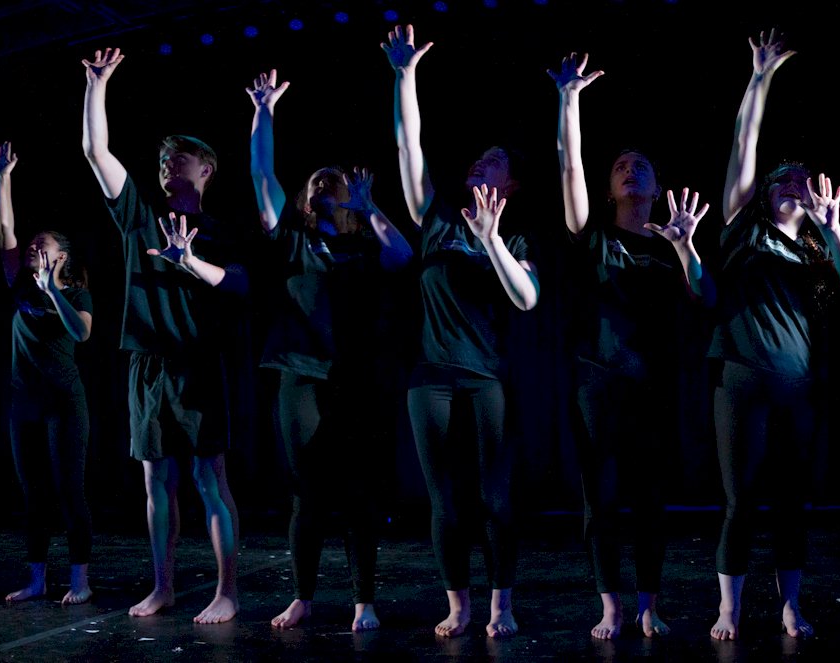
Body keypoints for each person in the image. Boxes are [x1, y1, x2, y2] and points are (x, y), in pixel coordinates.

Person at [706, 30, 840, 641]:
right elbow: (744, 147)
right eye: (782, 179)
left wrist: (834, 229)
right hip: (741, 380)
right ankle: (729, 608)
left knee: (792, 504)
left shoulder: (815, 248)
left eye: (800, 181)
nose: (789, 185)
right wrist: (759, 78)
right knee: (740, 503)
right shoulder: (741, 229)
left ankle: (790, 605)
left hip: (796, 387)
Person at [81, 47, 250, 624]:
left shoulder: (222, 229)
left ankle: (227, 590)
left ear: (207, 169)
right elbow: (95, 151)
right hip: (147, 364)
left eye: (181, 159)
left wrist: (189, 262)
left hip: (198, 364)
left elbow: (240, 286)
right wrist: (97, 85)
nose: (167, 166)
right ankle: (164, 585)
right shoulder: (139, 216)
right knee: (156, 479)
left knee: (210, 477)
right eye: (163, 161)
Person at [383, 25, 541, 639]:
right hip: (430, 378)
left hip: (485, 378)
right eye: (478, 158)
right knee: (444, 499)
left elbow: (525, 298)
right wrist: (405, 75)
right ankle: (459, 605)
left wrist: (492, 240)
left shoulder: (519, 239)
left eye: (494, 160)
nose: (481, 162)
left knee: (496, 498)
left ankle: (502, 603)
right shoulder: (436, 219)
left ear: (512, 184)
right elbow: (408, 149)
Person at [548, 51, 711, 640]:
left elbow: (705, 299)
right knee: (602, 502)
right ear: (610, 186)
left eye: (640, 164)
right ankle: (610, 604)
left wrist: (687, 247)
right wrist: (570, 100)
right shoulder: (593, 235)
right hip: (599, 381)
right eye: (620, 164)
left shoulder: (675, 240)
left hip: (656, 385)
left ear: (658, 185)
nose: (629, 169)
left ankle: (648, 603)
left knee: (650, 500)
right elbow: (570, 169)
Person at [245, 70, 414, 632]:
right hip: (300, 373)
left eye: (332, 182)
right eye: (315, 181)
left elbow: (404, 257)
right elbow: (261, 173)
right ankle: (304, 596)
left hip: (358, 379)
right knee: (310, 489)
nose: (321, 186)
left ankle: (364, 599)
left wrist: (370, 209)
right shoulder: (291, 238)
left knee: (361, 489)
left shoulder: (366, 243)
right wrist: (264, 110)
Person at [0, 142, 99, 605]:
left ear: (63, 257)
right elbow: (4, 228)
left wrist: (53, 292)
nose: (34, 246)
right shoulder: (18, 279)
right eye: (34, 244)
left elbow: (82, 335)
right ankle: (36, 578)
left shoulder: (75, 291)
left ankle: (80, 579)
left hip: (64, 403)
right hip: (24, 403)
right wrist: (2, 178)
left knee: (68, 490)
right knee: (32, 494)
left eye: (44, 245)